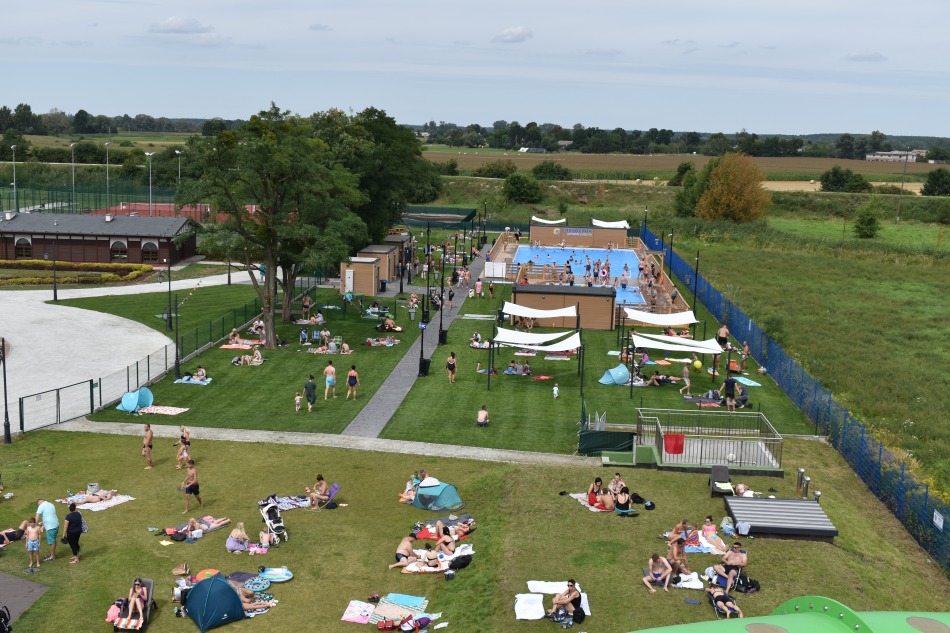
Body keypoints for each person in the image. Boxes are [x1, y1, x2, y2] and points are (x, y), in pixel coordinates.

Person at [36, 498, 59, 562]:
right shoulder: (51, 504)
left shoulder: (41, 506)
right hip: (56, 524)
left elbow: (37, 516)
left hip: (50, 527)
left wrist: (34, 527)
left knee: (51, 542)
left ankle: (52, 556)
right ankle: (52, 554)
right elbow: (49, 515)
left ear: (39, 502)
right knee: (53, 540)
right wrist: (44, 522)